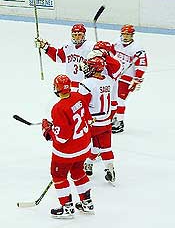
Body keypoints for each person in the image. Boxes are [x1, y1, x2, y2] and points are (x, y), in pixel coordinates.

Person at [42, 74, 94, 218]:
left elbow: (62, 138)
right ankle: (87, 202)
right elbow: (88, 119)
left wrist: (48, 130)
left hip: (67, 153)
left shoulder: (58, 108)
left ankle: (67, 207)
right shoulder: (79, 96)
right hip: (84, 147)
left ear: (57, 88)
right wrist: (57, 125)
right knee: (78, 172)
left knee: (58, 175)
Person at [78, 56, 118, 185]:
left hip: (92, 122)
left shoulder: (87, 83)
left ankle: (76, 169)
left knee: (81, 146)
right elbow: (113, 102)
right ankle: (108, 167)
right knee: (104, 147)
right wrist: (110, 117)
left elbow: (82, 105)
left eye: (89, 66)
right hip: (106, 122)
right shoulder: (109, 80)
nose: (86, 68)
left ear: (94, 68)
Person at [111, 24, 148, 133]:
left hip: (127, 78)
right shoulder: (117, 43)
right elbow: (111, 53)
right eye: (124, 34)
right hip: (115, 74)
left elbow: (142, 65)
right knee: (113, 99)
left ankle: (119, 123)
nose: (126, 36)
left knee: (120, 100)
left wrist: (136, 79)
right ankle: (113, 119)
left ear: (132, 35)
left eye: (128, 34)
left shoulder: (137, 48)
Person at [36, 24, 95, 91]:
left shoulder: (90, 47)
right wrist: (45, 47)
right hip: (69, 85)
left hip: (85, 85)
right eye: (74, 35)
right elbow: (58, 57)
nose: (77, 37)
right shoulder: (68, 46)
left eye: (79, 35)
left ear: (84, 35)